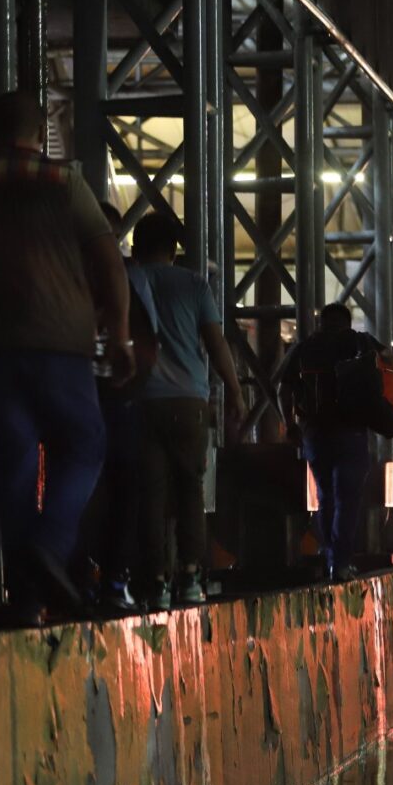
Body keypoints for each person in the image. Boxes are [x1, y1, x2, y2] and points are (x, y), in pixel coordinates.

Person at [0, 91, 134, 623]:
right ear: (42, 134)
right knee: (82, 445)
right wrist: (119, 334)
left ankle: (28, 601)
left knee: (12, 463)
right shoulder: (63, 181)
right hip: (58, 342)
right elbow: (109, 263)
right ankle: (50, 546)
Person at [131, 213, 245, 609]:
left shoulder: (129, 281)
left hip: (141, 401)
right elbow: (217, 344)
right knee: (189, 492)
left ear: (134, 246)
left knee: (150, 495)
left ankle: (156, 581)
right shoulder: (194, 284)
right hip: (189, 402)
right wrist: (234, 391)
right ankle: (192, 577)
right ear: (174, 250)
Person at [279, 303, 393, 581]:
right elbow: (390, 359)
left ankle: (330, 559)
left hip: (315, 433)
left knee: (326, 497)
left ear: (321, 322)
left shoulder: (304, 348)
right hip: (351, 432)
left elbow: (284, 387)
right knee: (347, 500)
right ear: (347, 322)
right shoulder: (359, 341)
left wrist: (290, 424)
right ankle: (340, 563)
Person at [80, 201, 161, 611]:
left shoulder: (65, 278)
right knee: (124, 489)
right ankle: (111, 580)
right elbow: (147, 345)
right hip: (113, 403)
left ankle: (82, 579)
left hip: (77, 401)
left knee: (81, 489)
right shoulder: (124, 280)